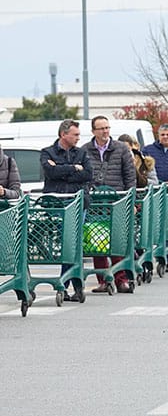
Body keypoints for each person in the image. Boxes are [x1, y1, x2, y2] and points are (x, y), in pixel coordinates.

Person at [40, 119, 93, 301]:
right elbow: (50, 173)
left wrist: (61, 171)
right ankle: (71, 285)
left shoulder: (81, 153)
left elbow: (88, 174)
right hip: (57, 205)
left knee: (73, 244)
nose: (78, 138)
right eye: (75, 134)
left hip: (79, 204)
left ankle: (70, 285)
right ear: (64, 134)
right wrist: (73, 169)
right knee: (68, 244)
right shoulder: (47, 152)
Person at [82, 115, 136, 293]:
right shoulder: (85, 150)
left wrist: (131, 201)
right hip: (95, 203)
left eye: (107, 128)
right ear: (93, 131)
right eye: (101, 128)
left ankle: (121, 279)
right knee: (98, 241)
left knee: (117, 240)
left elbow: (130, 177)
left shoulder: (121, 149)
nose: (105, 131)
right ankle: (103, 280)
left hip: (116, 201)